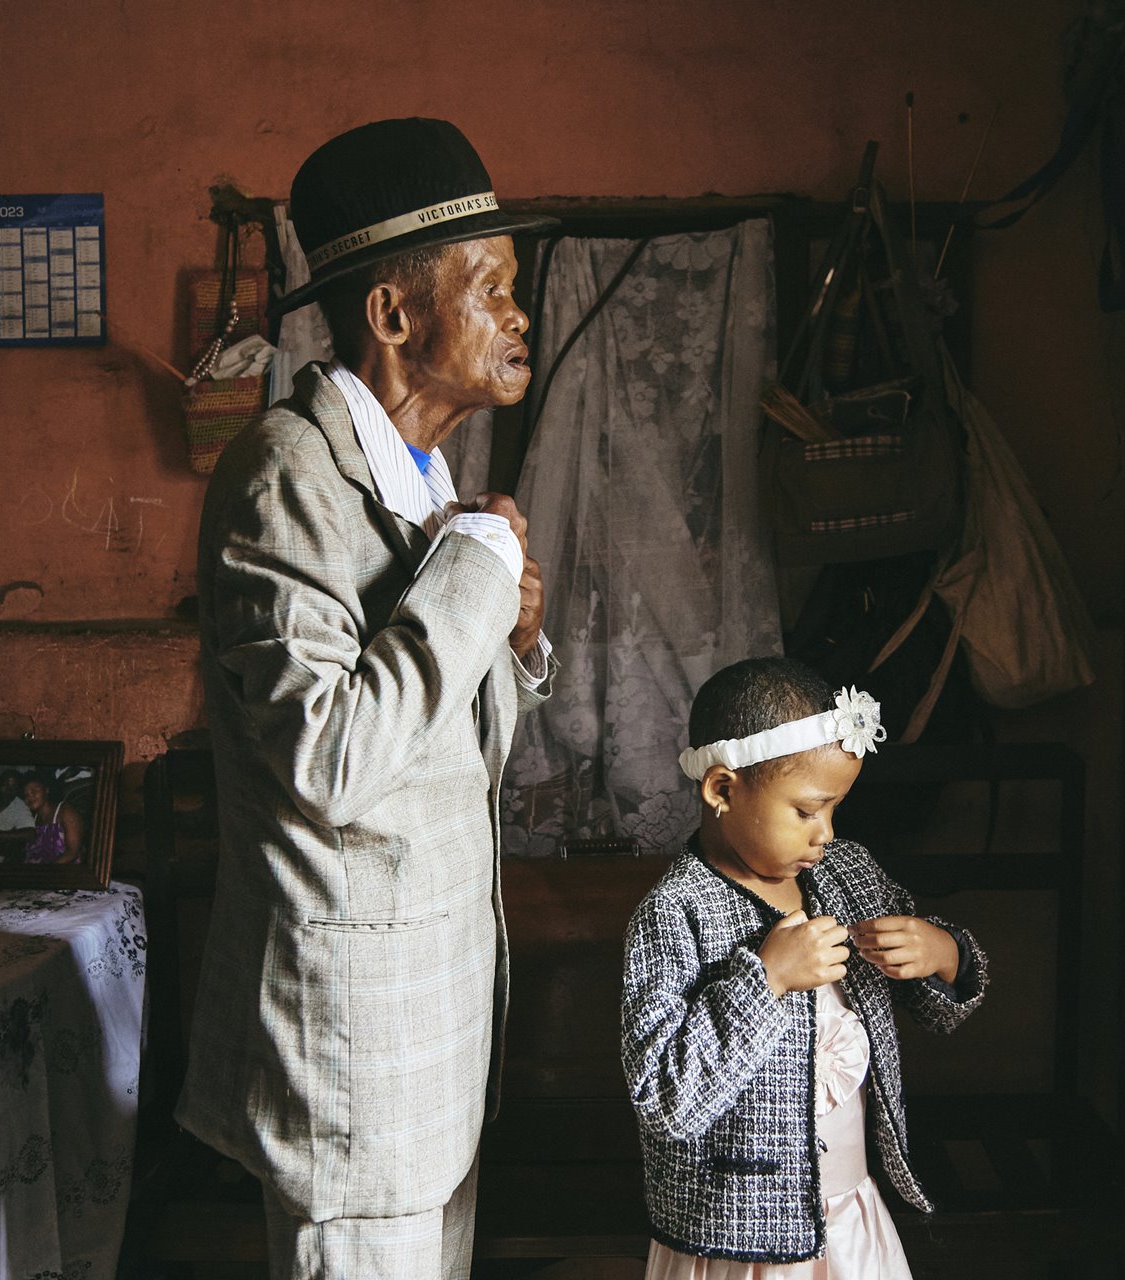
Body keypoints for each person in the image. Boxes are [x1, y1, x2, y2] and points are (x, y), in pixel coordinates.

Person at [178, 118, 560, 1280]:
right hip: (354, 1061)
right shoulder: (285, 475)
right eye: (491, 288)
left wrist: (513, 642)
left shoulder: (421, 475)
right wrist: (474, 573)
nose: (520, 315)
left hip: (428, 1041)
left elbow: (435, 749)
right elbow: (330, 757)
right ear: (393, 315)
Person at [622, 657, 989, 1276]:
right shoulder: (675, 913)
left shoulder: (847, 876)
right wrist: (764, 980)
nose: (826, 834)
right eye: (806, 810)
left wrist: (943, 953)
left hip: (849, 1221)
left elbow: (937, 1008)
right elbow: (665, 1099)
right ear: (722, 790)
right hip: (733, 1239)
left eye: (835, 809)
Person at [20, 772, 83, 864]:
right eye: (26, 795)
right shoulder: (32, 820)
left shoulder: (65, 812)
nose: (30, 796)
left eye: (34, 791)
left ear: (46, 790)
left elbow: (73, 852)